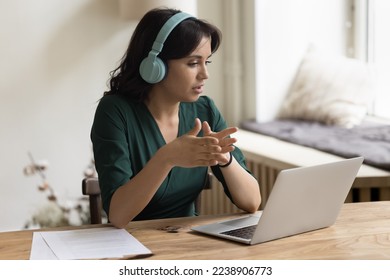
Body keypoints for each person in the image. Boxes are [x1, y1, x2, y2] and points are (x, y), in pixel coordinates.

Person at [91, 8, 261, 228]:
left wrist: (225, 159)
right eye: (193, 63)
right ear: (155, 66)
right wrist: (167, 158)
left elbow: (252, 202)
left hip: (187, 243)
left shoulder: (205, 110)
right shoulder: (115, 111)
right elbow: (118, 216)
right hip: (133, 243)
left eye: (206, 62)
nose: (204, 74)